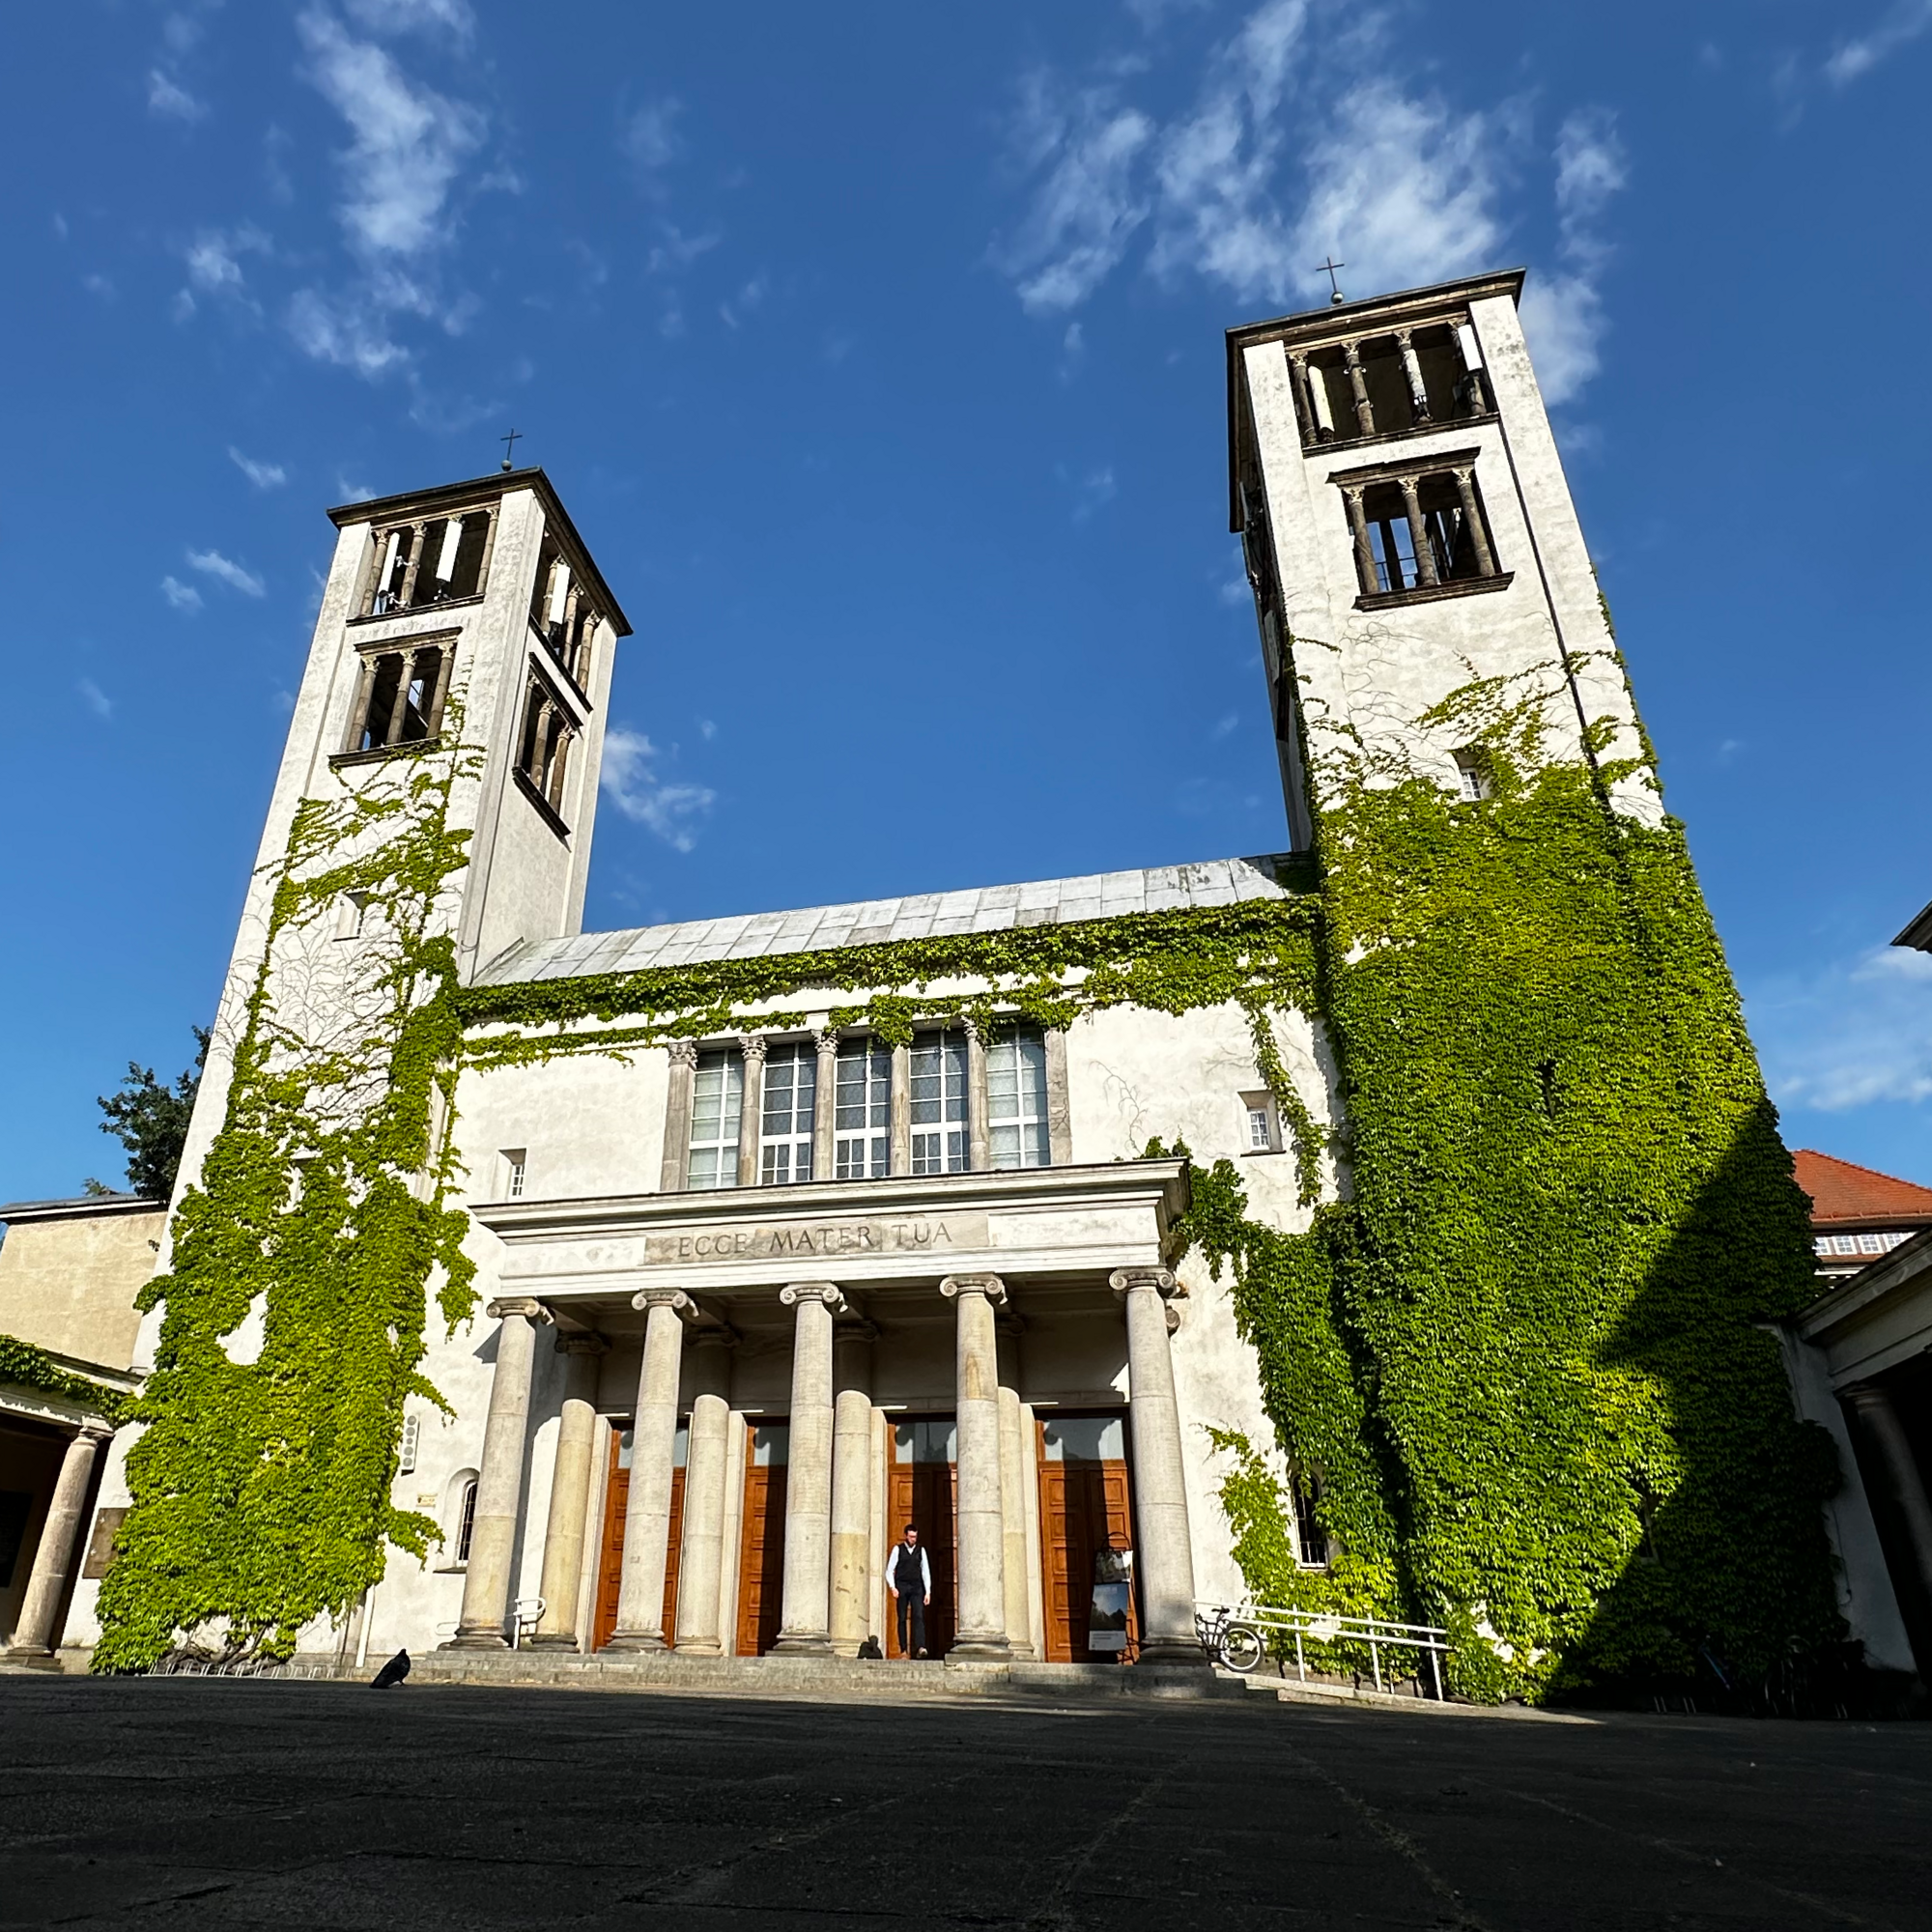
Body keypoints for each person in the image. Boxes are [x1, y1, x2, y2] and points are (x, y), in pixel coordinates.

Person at [886, 1522, 932, 1658]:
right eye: (911, 1537)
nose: (913, 1539)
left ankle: (921, 1647)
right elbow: (889, 1570)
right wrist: (892, 1587)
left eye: (915, 1537)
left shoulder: (921, 1550)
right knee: (902, 1617)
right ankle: (903, 1650)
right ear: (906, 1536)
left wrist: (927, 1591)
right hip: (902, 1586)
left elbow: (925, 1571)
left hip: (916, 1587)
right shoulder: (897, 1549)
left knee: (918, 1615)